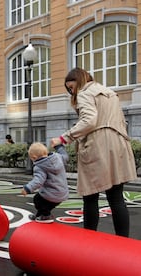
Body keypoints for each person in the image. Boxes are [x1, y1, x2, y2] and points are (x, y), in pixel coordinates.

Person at [51, 67, 136, 236]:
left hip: (98, 145)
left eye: (71, 87)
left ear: (80, 81)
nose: (71, 91)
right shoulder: (110, 93)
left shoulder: (84, 93)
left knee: (90, 196)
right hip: (119, 143)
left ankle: (89, 239)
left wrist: (64, 138)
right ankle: (124, 242)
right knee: (116, 197)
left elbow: (89, 120)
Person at [21, 142, 69, 223]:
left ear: (34, 157)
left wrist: (27, 188)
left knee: (37, 199)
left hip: (51, 194)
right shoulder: (58, 157)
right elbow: (65, 156)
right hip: (63, 193)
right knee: (46, 204)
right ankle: (40, 215)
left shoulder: (40, 166)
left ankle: (46, 216)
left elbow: (38, 181)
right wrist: (59, 147)